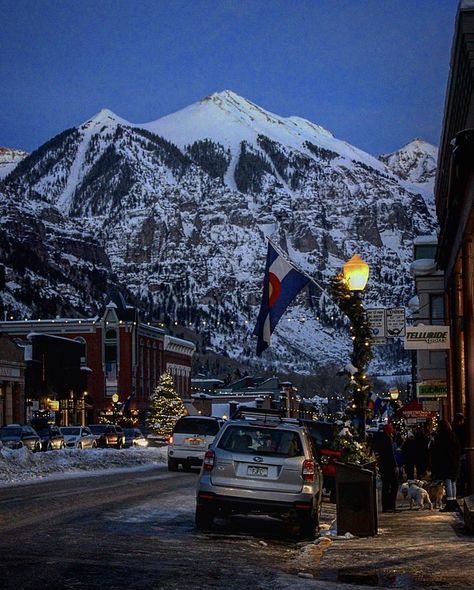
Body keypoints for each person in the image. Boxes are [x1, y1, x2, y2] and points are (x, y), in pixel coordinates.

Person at [430, 419, 461, 512]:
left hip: (445, 463)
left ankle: (449, 503)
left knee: (448, 482)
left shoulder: (440, 437)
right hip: (454, 463)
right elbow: (458, 449)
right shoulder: (453, 435)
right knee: (453, 482)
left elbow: (437, 451)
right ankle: (454, 502)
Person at [372, 423, 398, 512]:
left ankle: (387, 506)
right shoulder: (387, 439)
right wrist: (395, 466)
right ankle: (390, 506)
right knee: (393, 484)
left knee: (386, 485)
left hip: (384, 465)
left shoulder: (381, 439)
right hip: (388, 465)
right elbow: (390, 454)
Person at [452, 413, 467, 496]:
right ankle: (462, 490)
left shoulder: (453, 429)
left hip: (456, 454)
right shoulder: (463, 429)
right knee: (462, 473)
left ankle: (459, 490)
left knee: (458, 474)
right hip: (462, 453)